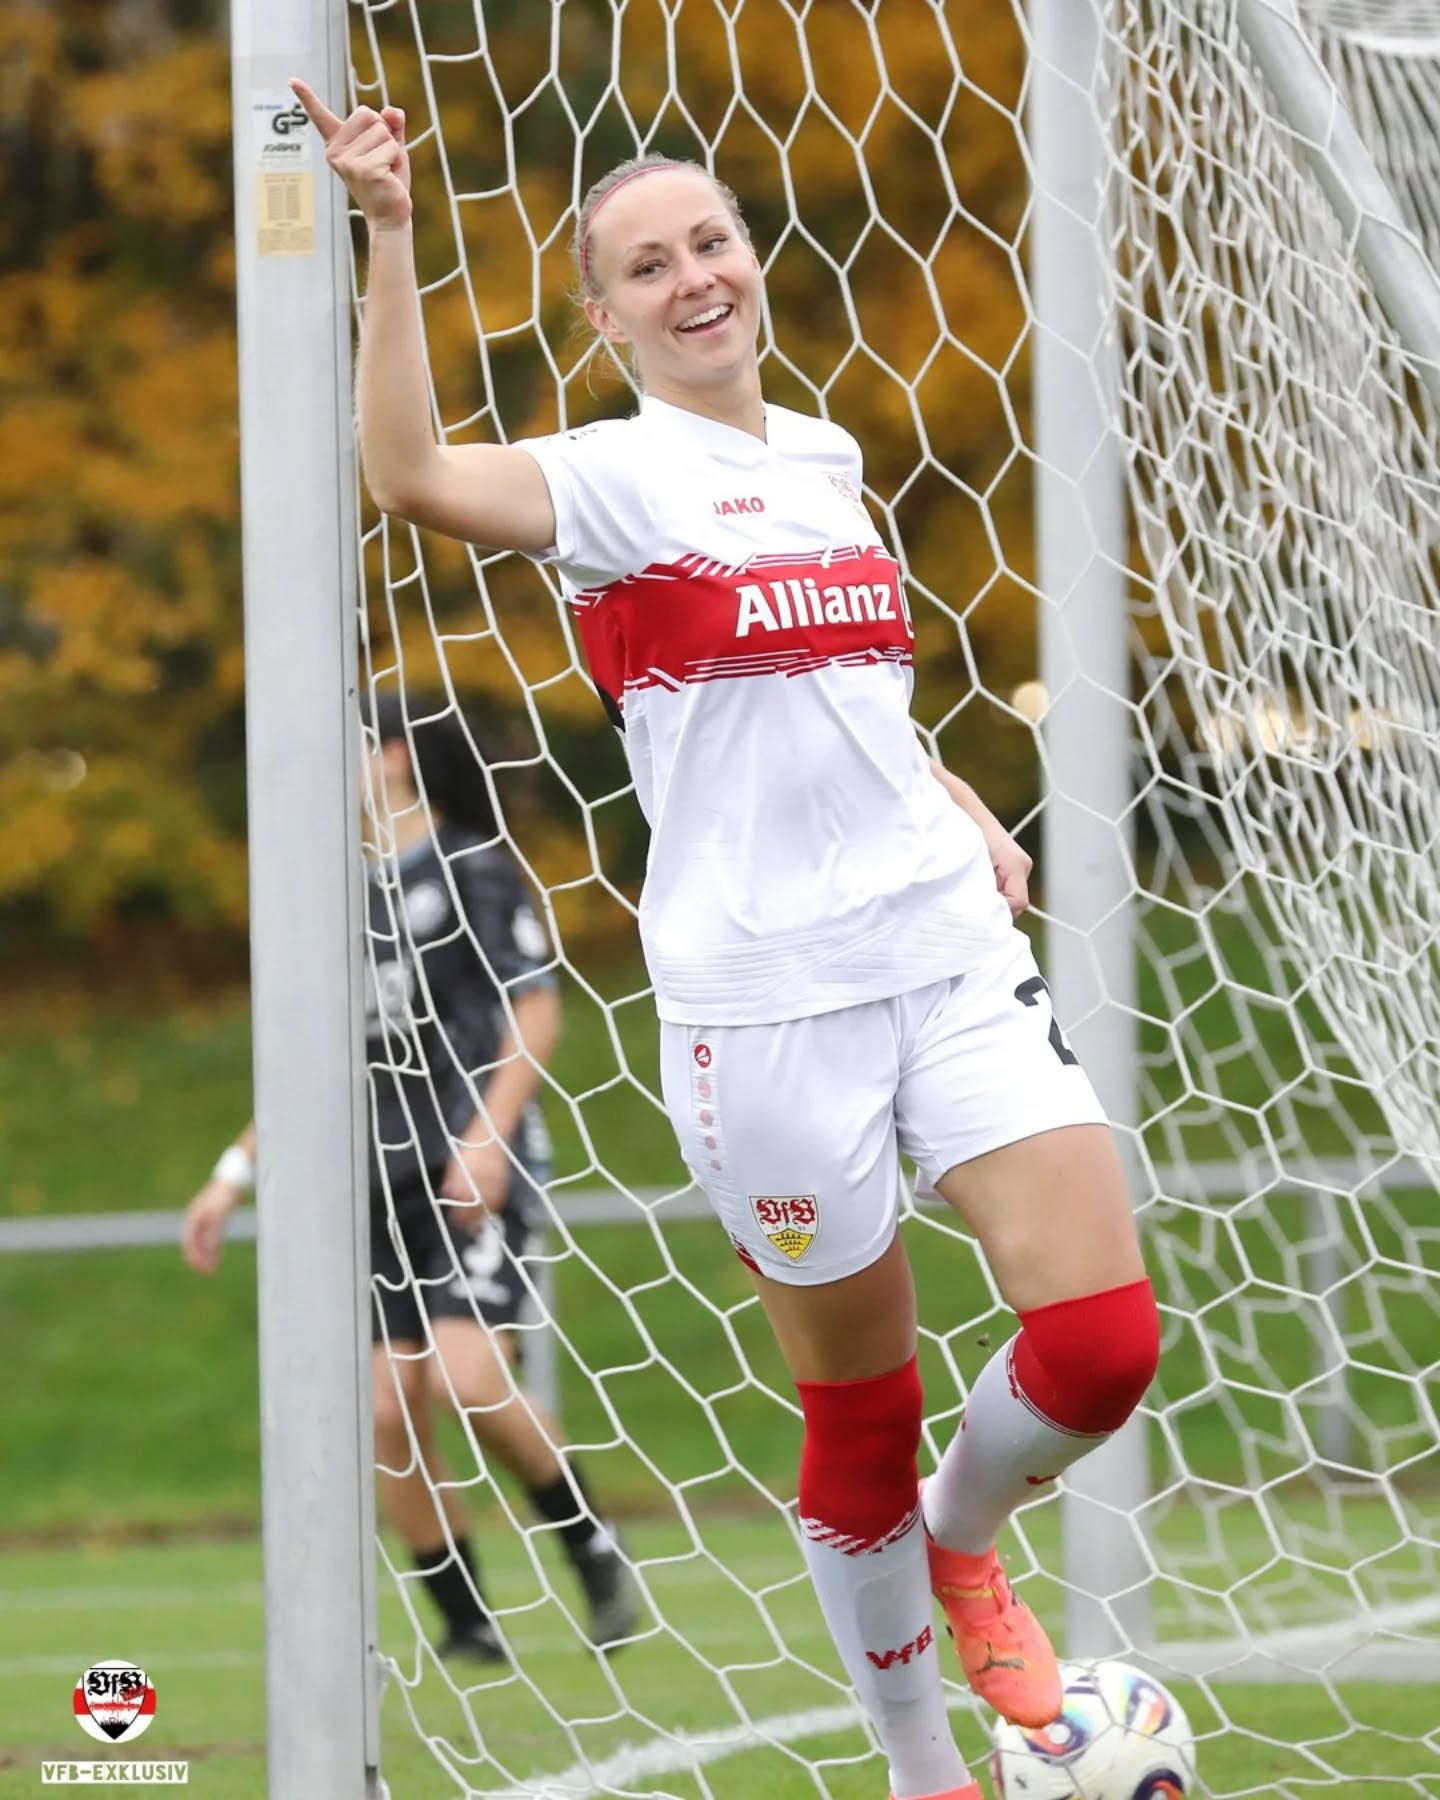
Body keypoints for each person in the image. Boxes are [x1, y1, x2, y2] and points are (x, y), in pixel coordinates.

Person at [290, 78, 1160, 1800]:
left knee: (1102, 1345)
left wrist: (954, 794)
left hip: (941, 949)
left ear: (753, 261)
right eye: (645, 264)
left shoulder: (827, 456)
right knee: (858, 1413)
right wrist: (390, 231)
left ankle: (962, 1538)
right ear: (603, 312)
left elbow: (842, 701)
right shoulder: (616, 481)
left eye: (712, 242)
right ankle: (926, 1768)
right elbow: (406, 473)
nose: (693, 278)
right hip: (764, 1011)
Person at [183, 692, 639, 1664]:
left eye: (354, 745)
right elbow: (313, 1061)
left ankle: (593, 1549)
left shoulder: (471, 866)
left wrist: (487, 1134)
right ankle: (466, 1620)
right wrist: (233, 1174)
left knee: (472, 1378)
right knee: (386, 1405)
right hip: (369, 1180)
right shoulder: (334, 893)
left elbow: (539, 1013)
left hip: (469, 1160)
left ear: (392, 757)